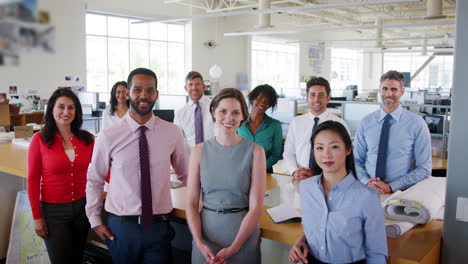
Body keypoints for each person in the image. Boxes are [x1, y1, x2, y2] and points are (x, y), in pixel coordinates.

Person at [85, 68, 189, 263]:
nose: (144, 95)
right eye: (137, 90)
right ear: (127, 93)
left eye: (150, 90)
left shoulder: (172, 132)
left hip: (159, 227)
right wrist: (95, 220)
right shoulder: (109, 135)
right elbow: (95, 180)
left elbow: (187, 175)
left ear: (156, 94)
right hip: (122, 228)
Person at [289, 121, 387, 264]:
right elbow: (321, 225)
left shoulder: (367, 196)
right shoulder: (306, 187)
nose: (326, 155)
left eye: (334, 147)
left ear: (348, 149)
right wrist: (302, 241)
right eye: (319, 148)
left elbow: (377, 253)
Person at [186, 88, 266, 264]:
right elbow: (191, 204)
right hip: (205, 238)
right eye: (223, 111)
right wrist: (199, 243)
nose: (229, 118)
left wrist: (235, 247)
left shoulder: (256, 152)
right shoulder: (198, 151)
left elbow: (256, 207)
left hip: (243, 239)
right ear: (214, 111)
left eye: (235, 113)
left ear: (242, 117)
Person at [27, 88, 94, 264]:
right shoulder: (39, 139)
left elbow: (103, 170)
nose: (66, 112)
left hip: (83, 209)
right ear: (52, 110)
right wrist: (37, 217)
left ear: (76, 111)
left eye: (71, 107)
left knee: (77, 258)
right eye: (61, 107)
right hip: (53, 212)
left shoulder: (87, 139)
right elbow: (33, 180)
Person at [354, 70, 431, 194]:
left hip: (399, 193)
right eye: (384, 88)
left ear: (402, 91)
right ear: (379, 90)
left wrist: (391, 186)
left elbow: (424, 169)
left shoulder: (417, 123)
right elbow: (356, 160)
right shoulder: (366, 122)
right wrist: (367, 181)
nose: (388, 94)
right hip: (368, 190)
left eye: (394, 89)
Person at [284, 77, 350, 181]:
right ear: (307, 99)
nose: (316, 99)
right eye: (312, 95)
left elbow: (345, 155)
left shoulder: (339, 124)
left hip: (329, 178)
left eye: (321, 95)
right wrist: (294, 171)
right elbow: (288, 152)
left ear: (328, 98)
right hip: (301, 177)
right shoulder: (296, 122)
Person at [237, 84, 282, 173]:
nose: (262, 103)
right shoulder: (239, 122)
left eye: (267, 101)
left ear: (270, 105)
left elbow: (275, 155)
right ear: (252, 98)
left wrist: (258, 166)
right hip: (240, 170)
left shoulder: (275, 125)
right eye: (259, 98)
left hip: (264, 171)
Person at [174, 71, 216, 152]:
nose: (194, 87)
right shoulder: (180, 113)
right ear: (186, 88)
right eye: (190, 84)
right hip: (190, 158)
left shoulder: (215, 106)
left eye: (197, 84)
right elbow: (178, 141)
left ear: (203, 86)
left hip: (213, 155)